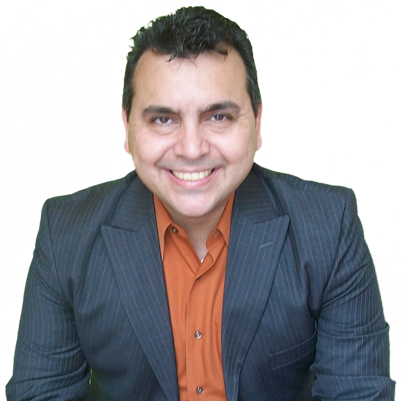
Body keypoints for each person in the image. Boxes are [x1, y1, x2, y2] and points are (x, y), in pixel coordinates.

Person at [5, 4, 396, 401]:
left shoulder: (328, 226)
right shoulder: (66, 234)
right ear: (127, 128)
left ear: (257, 123)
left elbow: (359, 393)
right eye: (163, 119)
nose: (191, 149)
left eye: (218, 117)